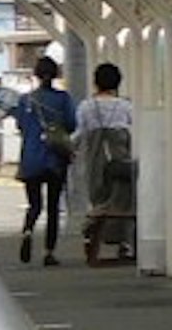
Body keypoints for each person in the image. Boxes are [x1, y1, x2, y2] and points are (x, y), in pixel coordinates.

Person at [10, 55, 80, 263]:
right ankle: (49, 252)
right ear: (56, 74)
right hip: (55, 159)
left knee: (34, 205)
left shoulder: (26, 100)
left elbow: (20, 126)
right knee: (52, 207)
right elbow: (71, 124)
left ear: (37, 75)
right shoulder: (63, 99)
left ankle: (28, 230)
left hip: (31, 158)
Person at [70, 61, 140, 269]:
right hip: (121, 157)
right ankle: (124, 242)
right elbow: (134, 132)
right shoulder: (126, 106)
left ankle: (92, 230)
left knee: (99, 197)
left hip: (95, 158)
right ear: (118, 82)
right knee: (123, 198)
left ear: (95, 83)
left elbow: (79, 134)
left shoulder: (86, 107)